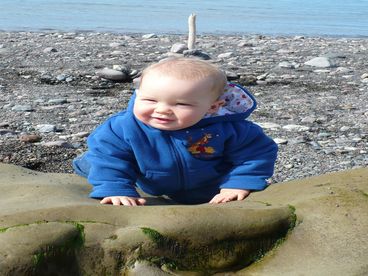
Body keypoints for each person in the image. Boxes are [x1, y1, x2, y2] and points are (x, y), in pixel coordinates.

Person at [73, 57, 278, 206]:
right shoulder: (123, 128)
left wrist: (240, 183)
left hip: (204, 185)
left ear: (212, 107)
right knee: (98, 160)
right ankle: (86, 166)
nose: (162, 109)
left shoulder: (230, 129)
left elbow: (256, 154)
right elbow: (109, 157)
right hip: (147, 178)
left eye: (181, 104)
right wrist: (115, 188)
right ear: (137, 94)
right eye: (150, 100)